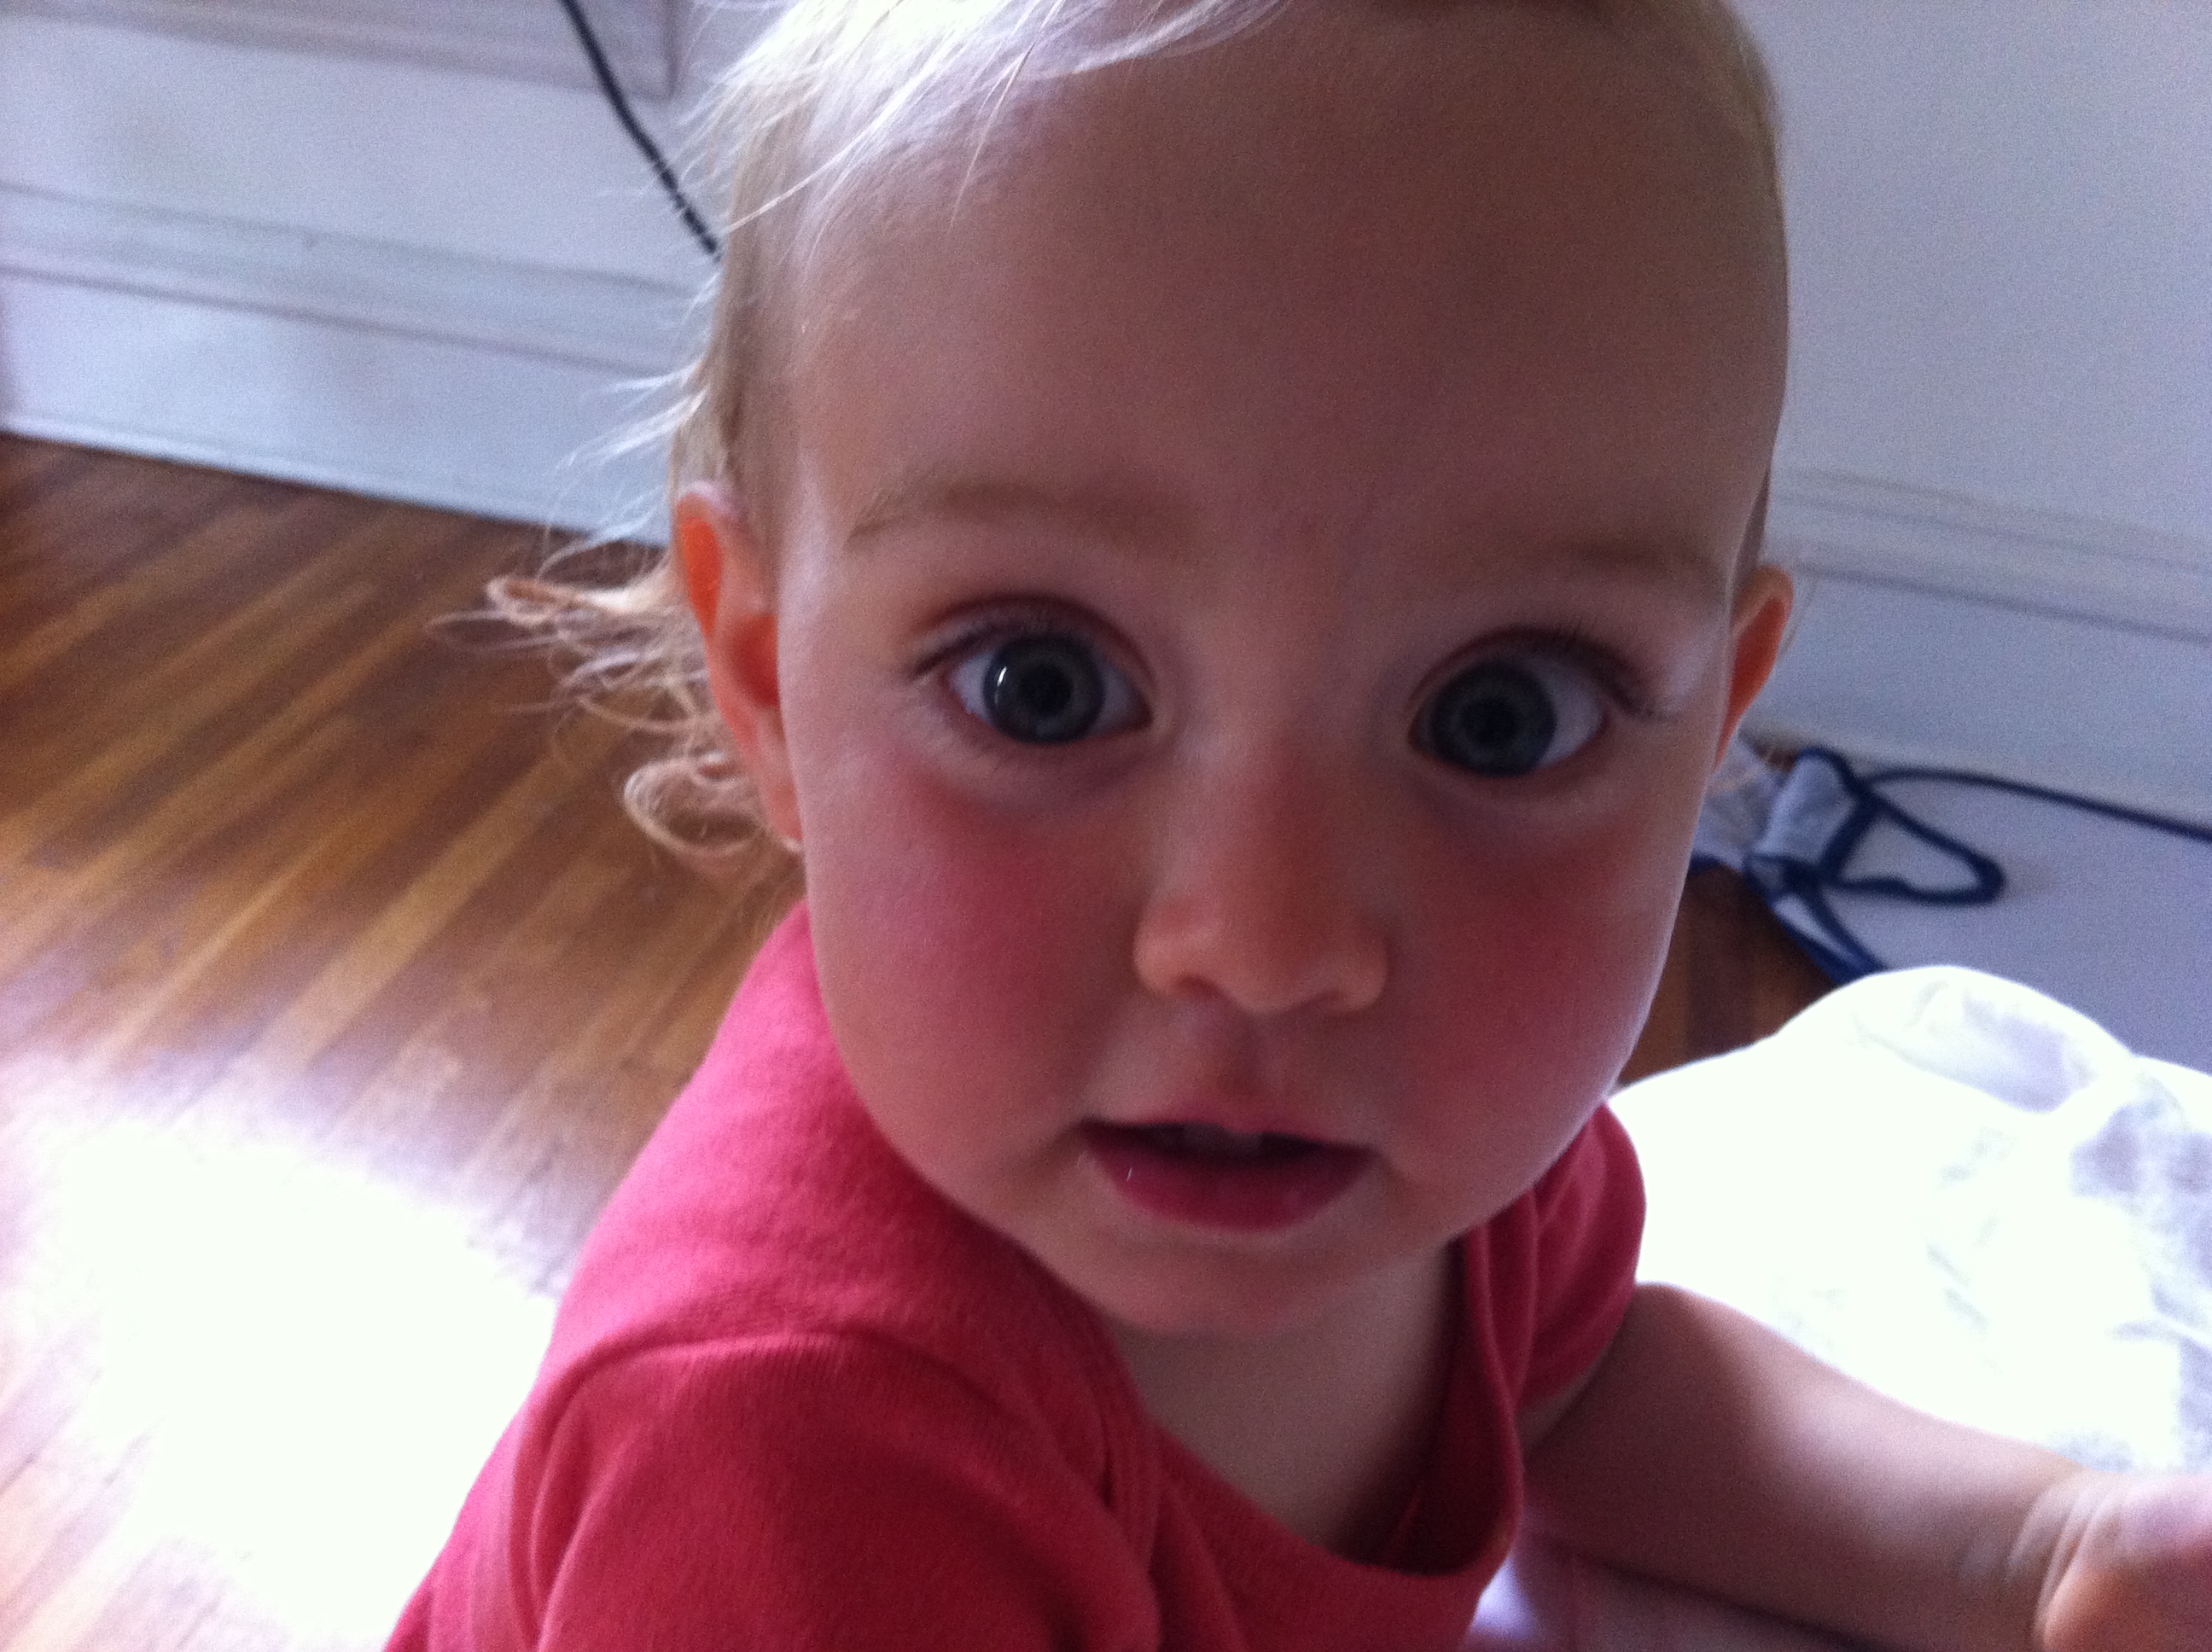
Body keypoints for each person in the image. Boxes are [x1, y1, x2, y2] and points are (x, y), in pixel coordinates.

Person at [388, 0, 2212, 1646]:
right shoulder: (796, 1442)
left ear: (1716, 730)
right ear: (769, 682)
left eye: (1503, 717)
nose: (1269, 944)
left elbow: (1579, 1385)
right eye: (1042, 683)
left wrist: (2039, 1548)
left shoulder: (1422, 1137)